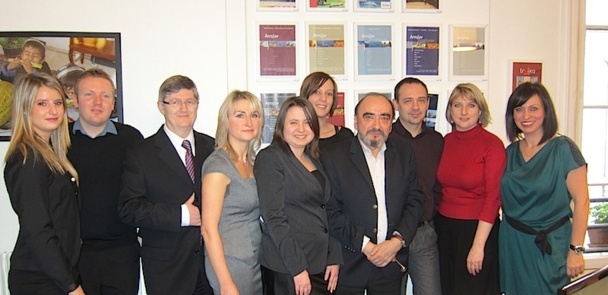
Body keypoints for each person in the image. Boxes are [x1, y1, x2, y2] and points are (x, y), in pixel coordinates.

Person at [118, 75, 215, 295]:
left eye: (190, 101)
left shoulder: (213, 147)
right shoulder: (141, 154)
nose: (184, 108)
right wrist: (182, 215)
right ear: (161, 107)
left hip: (210, 268)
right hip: (168, 271)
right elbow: (129, 209)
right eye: (175, 102)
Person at [320, 93, 425, 295]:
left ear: (391, 123)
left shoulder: (404, 152)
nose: (376, 125)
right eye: (369, 116)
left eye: (384, 117)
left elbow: (415, 200)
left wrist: (396, 242)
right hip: (349, 263)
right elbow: (331, 210)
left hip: (390, 263)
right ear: (355, 121)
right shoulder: (333, 156)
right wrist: (367, 247)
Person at [499, 82, 589, 294]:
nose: (525, 116)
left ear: (546, 111)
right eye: (519, 109)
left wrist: (576, 249)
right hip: (513, 244)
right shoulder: (509, 153)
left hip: (550, 246)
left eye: (533, 108)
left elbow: (582, 202)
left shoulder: (564, 149)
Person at [3, 73, 84, 295]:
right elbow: (38, 230)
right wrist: (72, 286)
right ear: (26, 108)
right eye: (42, 103)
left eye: (58, 102)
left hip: (54, 273)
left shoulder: (51, 154)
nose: (53, 110)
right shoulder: (27, 158)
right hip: (39, 279)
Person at [254, 97, 342, 295]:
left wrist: (333, 256)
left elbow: (325, 209)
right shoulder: (270, 158)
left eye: (307, 122)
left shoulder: (313, 158)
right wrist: (297, 268)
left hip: (319, 263)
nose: (301, 129)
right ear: (281, 126)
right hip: (288, 267)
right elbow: (274, 217)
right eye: (293, 122)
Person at [68, 68, 144, 295]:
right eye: (89, 94)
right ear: (75, 99)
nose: (97, 102)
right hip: (75, 253)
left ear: (113, 102)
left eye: (105, 96)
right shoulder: (59, 139)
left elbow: (146, 189)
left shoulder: (131, 139)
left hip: (123, 252)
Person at [435, 83, 505, 295]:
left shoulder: (492, 145)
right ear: (450, 111)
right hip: (445, 228)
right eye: (457, 105)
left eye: (471, 105)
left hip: (477, 230)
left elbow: (493, 198)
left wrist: (478, 247)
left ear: (480, 110)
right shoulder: (445, 141)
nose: (463, 112)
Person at [201, 90, 264, 294]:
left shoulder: (253, 162)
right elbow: (208, 229)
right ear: (226, 121)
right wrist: (226, 283)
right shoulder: (218, 164)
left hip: (253, 259)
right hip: (230, 263)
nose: (249, 121)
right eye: (240, 115)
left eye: (254, 115)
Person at [389, 77, 443, 295]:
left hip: (423, 233)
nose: (415, 107)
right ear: (395, 104)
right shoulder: (385, 138)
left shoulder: (437, 141)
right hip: (391, 234)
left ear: (428, 103)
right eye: (408, 101)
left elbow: (439, 186)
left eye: (421, 100)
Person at [299, 72, 353, 149]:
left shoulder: (345, 137)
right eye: (317, 92)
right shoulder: (295, 137)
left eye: (329, 94)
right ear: (305, 96)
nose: (323, 98)